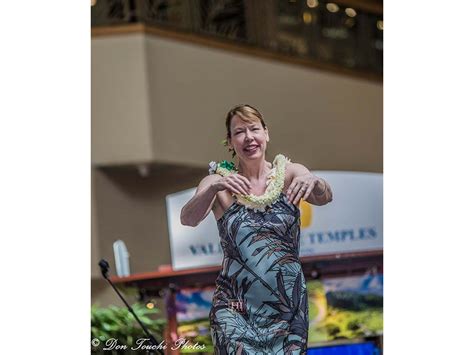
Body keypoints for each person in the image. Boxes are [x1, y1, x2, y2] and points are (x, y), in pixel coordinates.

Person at [180, 104, 333, 354]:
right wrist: (212, 189)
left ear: (266, 134)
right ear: (230, 142)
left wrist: (315, 181)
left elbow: (324, 197)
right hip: (235, 309)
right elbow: (188, 219)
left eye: (254, 129)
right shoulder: (218, 183)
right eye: (239, 132)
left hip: (287, 307)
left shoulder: (290, 174)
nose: (249, 137)